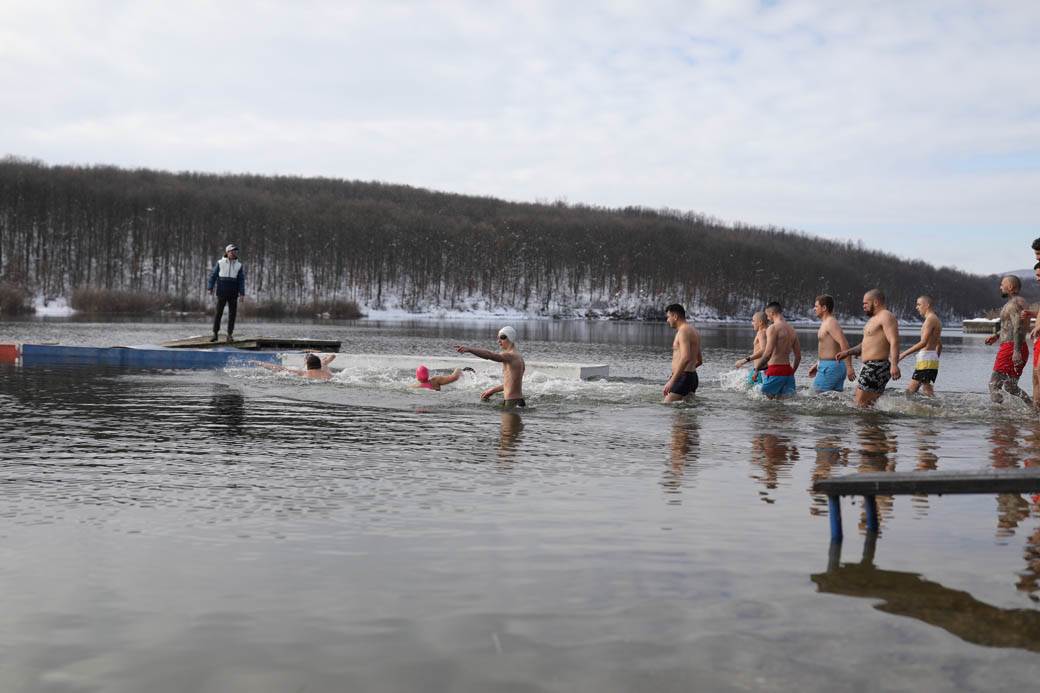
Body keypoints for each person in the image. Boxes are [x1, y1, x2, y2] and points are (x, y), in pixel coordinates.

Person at [835, 289, 901, 407]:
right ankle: (874, 424)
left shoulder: (886, 316)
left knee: (859, 405)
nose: (863, 306)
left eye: (866, 303)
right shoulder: (873, 320)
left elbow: (894, 341)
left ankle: (867, 425)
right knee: (868, 405)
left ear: (875, 302)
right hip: (870, 367)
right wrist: (848, 352)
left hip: (876, 367)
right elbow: (865, 345)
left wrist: (895, 365)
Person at [986, 275, 1031, 405]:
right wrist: (997, 335)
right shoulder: (1016, 302)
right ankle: (1033, 408)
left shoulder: (1014, 304)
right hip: (1016, 346)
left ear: (1010, 287)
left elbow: (1018, 327)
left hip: (1011, 347)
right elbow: (1011, 327)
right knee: (1011, 387)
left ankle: (998, 416)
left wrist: (1016, 351)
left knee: (993, 384)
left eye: (1002, 284)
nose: (1000, 287)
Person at [455, 326, 526, 407]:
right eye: (498, 338)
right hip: (517, 401)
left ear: (510, 338)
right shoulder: (519, 358)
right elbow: (512, 383)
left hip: (512, 402)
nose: (499, 341)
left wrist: (470, 349)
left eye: (502, 337)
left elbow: (490, 355)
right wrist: (492, 390)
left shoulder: (510, 355)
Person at [806, 295, 855, 392]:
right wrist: (818, 364)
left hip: (830, 368)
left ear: (824, 308)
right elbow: (830, 348)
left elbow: (844, 343)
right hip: (830, 366)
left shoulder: (830, 323)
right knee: (833, 401)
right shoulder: (826, 323)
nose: (814, 309)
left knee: (815, 396)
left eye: (816, 306)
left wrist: (849, 367)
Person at [897, 295, 943, 396]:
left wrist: (903, 354)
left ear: (927, 305)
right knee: (926, 391)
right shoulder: (936, 320)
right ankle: (932, 410)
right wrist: (934, 359)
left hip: (926, 360)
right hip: (930, 360)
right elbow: (939, 345)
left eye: (919, 304)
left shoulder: (930, 320)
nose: (916, 307)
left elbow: (923, 342)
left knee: (910, 392)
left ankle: (933, 410)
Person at [754, 301, 801, 399]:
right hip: (788, 372)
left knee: (760, 400)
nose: (767, 318)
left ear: (772, 313)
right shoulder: (792, 329)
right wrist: (792, 372)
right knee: (784, 405)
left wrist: (757, 369)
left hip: (775, 370)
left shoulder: (773, 328)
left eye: (767, 315)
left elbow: (768, 353)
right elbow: (798, 356)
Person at [662, 304, 703, 402]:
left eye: (668, 317)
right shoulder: (694, 331)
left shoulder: (683, 332)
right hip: (691, 377)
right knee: (684, 413)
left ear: (675, 316)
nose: (667, 320)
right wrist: (680, 374)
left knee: (666, 407)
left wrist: (673, 380)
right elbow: (700, 360)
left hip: (683, 378)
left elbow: (686, 357)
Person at [207, 244, 246, 342]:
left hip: (233, 294)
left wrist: (242, 293)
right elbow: (213, 276)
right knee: (218, 314)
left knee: (232, 315)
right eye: (232, 251)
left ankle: (229, 335)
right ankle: (215, 334)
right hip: (222, 292)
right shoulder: (220, 263)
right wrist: (210, 287)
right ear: (227, 252)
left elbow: (241, 280)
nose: (233, 253)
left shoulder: (239, 265)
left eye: (235, 251)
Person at [734, 312, 768, 385]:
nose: (752, 323)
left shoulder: (761, 333)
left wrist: (744, 360)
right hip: (761, 370)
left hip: (760, 371)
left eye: (753, 321)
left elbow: (764, 350)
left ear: (760, 322)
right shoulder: (769, 331)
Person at [256, 352, 336, 381]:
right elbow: (333, 356)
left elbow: (278, 368)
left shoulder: (303, 373)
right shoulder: (326, 371)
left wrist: (260, 363)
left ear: (307, 364)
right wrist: (327, 356)